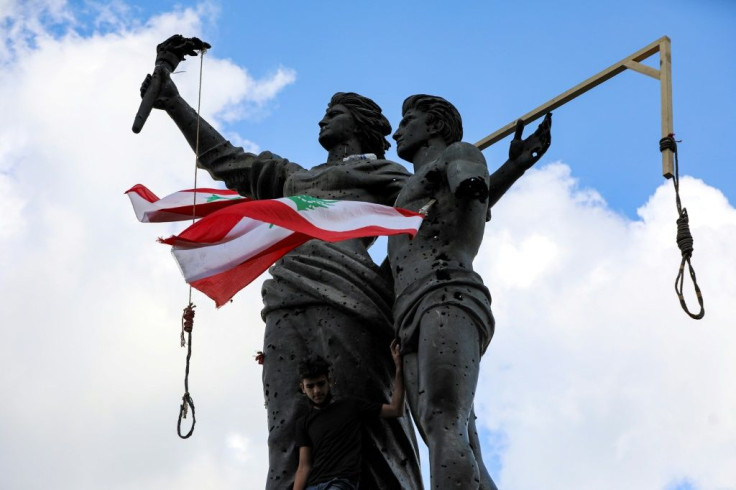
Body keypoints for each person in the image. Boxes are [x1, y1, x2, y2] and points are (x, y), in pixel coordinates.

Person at [139, 38, 421, 489]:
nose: (322, 119)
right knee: (288, 423)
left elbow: (436, 220)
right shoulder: (293, 179)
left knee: (361, 413)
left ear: (360, 123)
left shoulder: (384, 175)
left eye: (333, 112)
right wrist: (173, 103)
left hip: (353, 301)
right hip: (288, 299)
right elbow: (224, 159)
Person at [388, 94, 551, 490]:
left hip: (446, 293)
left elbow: (469, 185)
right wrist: (514, 167)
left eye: (408, 120)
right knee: (445, 431)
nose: (397, 130)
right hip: (409, 309)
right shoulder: (420, 182)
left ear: (434, 127)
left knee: (444, 419)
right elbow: (456, 205)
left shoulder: (460, 152)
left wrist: (475, 181)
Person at [294, 341, 406, 490]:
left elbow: (395, 409)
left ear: (330, 381)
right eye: (310, 386)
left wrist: (399, 368)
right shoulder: (303, 423)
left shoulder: (351, 406)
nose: (316, 391)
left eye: (320, 384)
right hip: (313, 486)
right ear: (303, 388)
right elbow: (304, 466)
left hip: (340, 483)